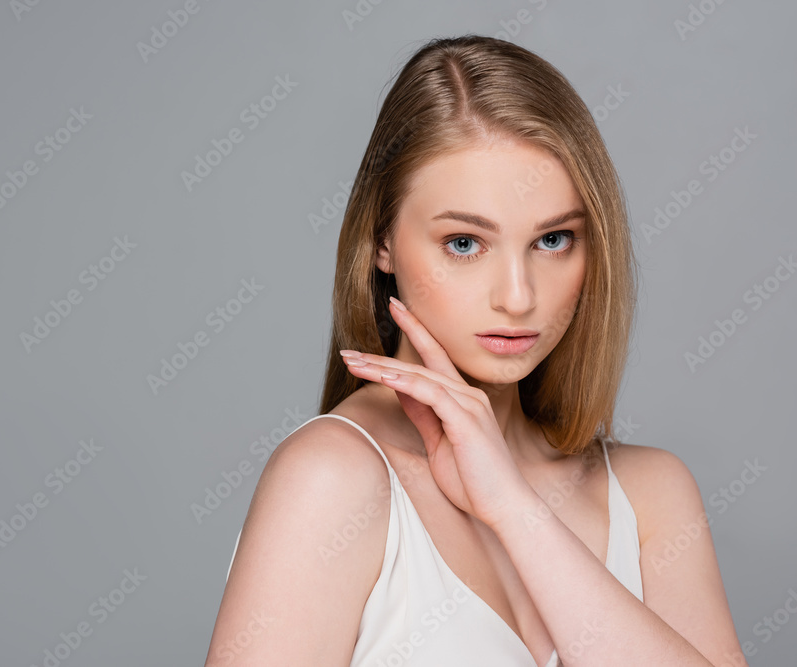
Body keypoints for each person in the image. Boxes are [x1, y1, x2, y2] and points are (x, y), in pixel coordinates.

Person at [204, 35, 746, 666]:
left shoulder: (652, 494)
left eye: (553, 240)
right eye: (464, 243)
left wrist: (512, 508)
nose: (518, 298)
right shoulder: (331, 481)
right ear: (383, 242)